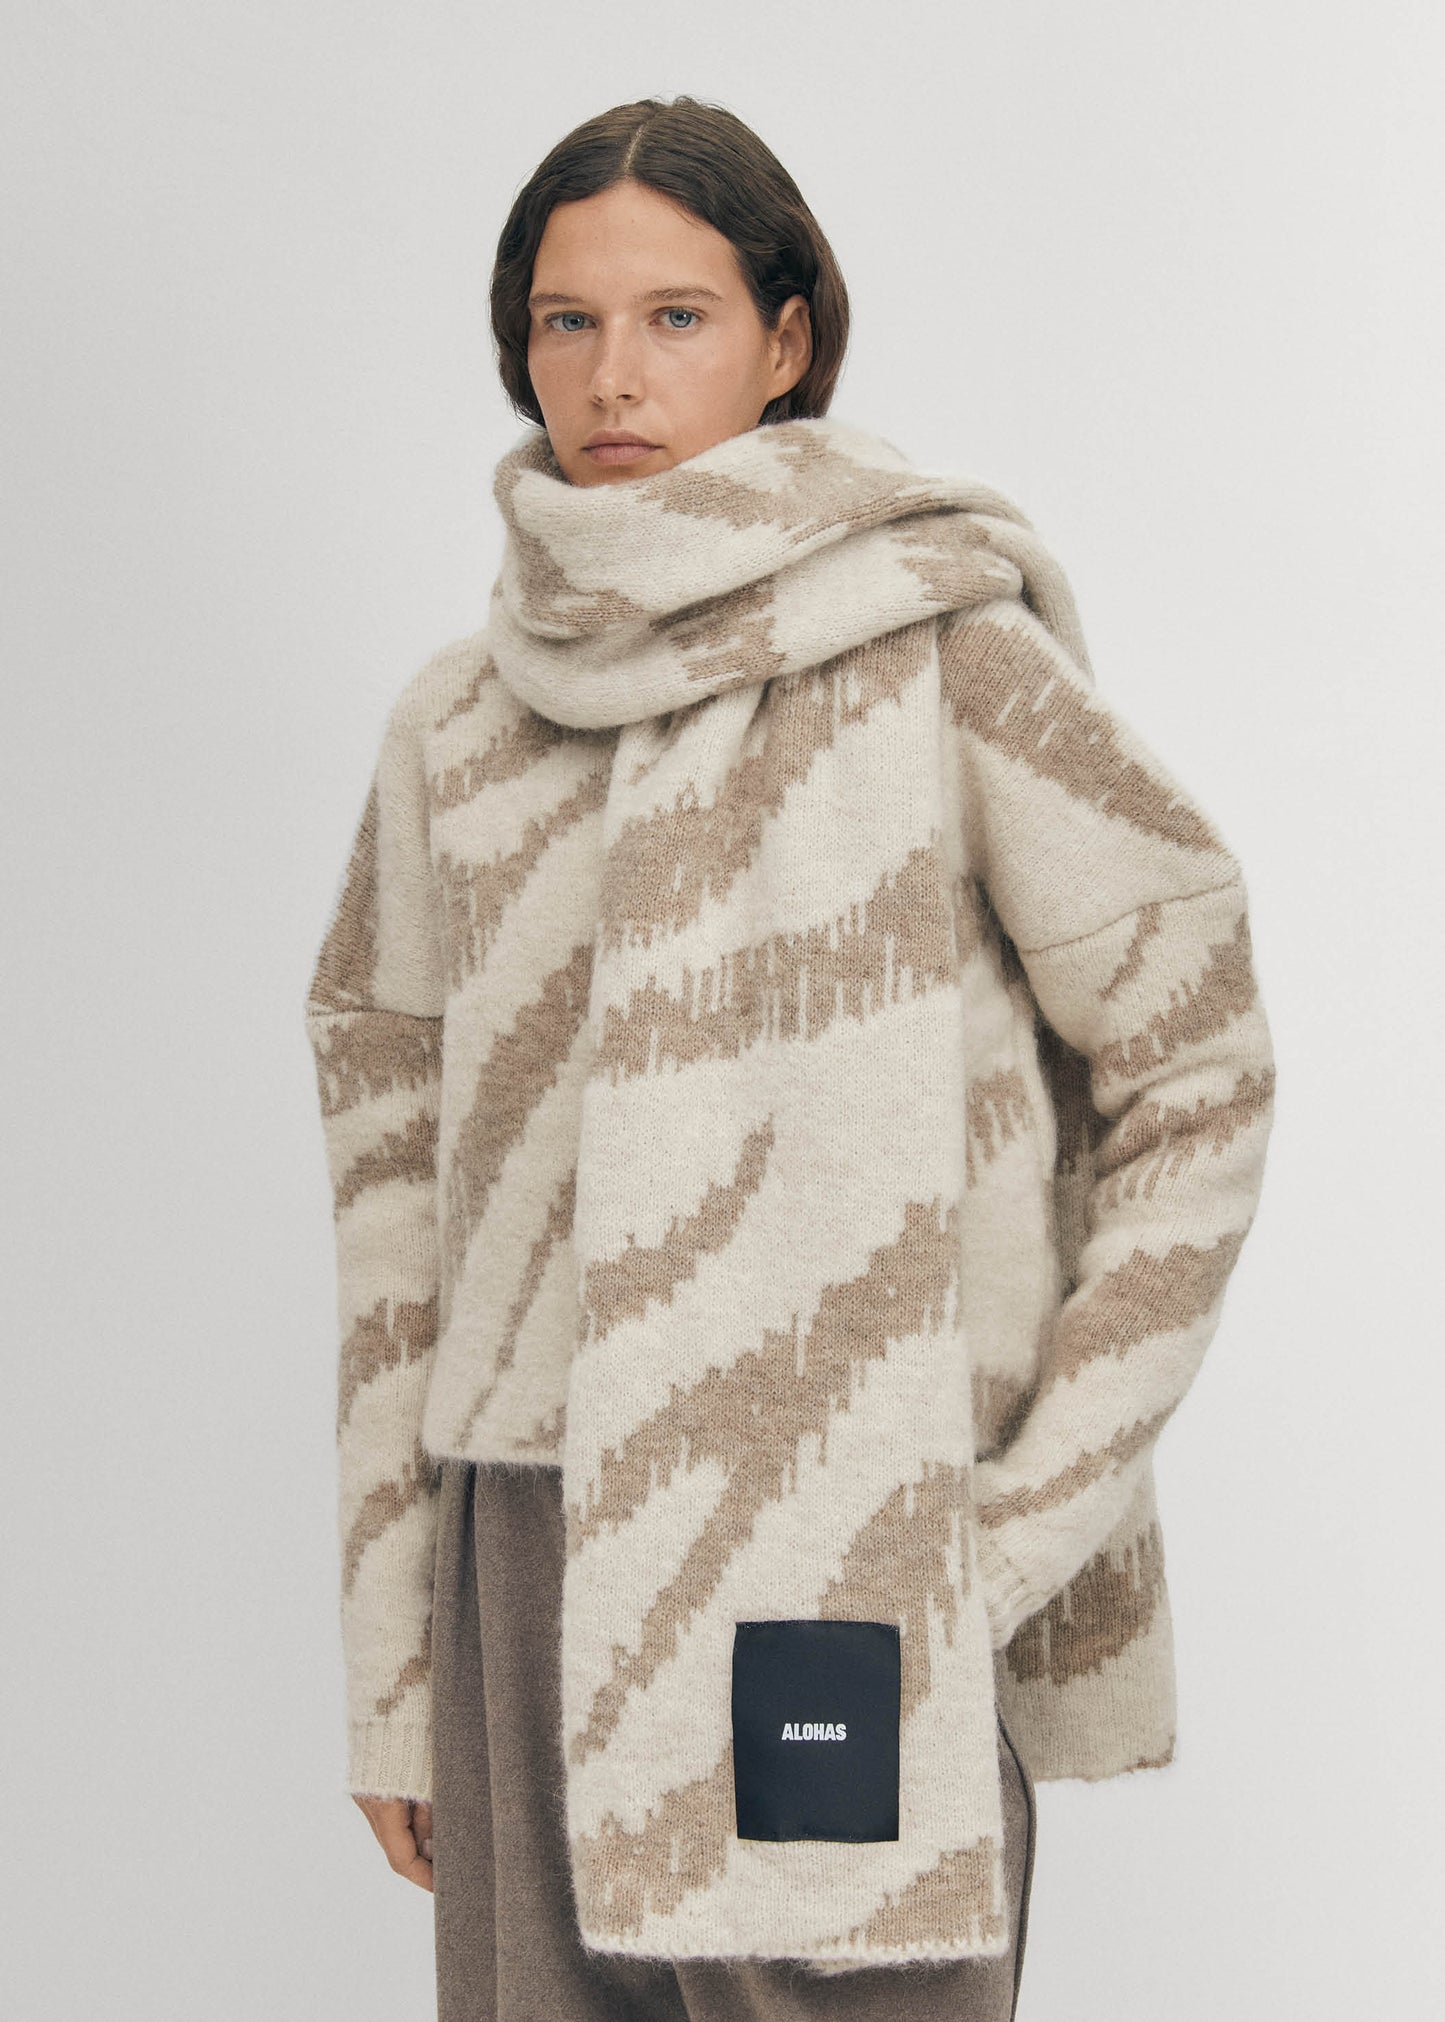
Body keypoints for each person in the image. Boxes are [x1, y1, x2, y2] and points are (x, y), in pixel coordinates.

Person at [304, 95, 1274, 2022]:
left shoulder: (944, 656)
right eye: (567, 320)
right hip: (530, 1542)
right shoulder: (457, 727)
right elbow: (391, 1212)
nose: (612, 373)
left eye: (674, 316)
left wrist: (1013, 1519)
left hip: (840, 1535)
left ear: (786, 338)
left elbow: (1198, 1071)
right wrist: (397, 1669)